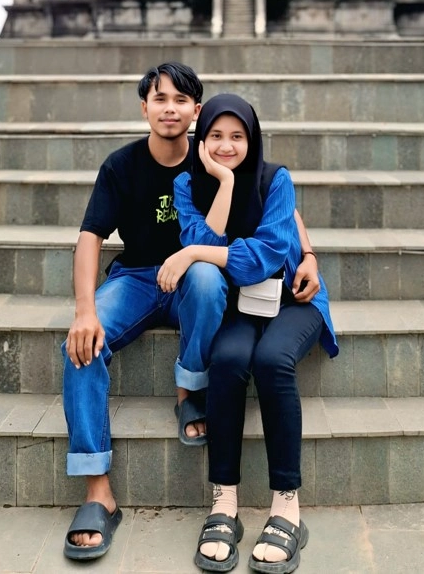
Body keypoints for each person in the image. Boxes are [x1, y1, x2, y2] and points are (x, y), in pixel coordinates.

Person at [61, 64, 320, 563]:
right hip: (138, 278)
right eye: (160, 99)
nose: (170, 109)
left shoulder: (215, 157)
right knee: (81, 343)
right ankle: (97, 492)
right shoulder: (126, 166)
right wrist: (84, 309)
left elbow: (274, 198)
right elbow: (90, 235)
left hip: (199, 283)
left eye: (181, 100)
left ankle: (189, 393)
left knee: (202, 277)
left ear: (195, 111)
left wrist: (307, 253)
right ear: (145, 107)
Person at [157, 93, 339, 574]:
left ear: (252, 139)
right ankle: (224, 502)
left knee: (272, 360)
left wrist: (194, 253)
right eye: (216, 135)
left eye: (237, 136)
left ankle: (287, 507)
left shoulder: (276, 179)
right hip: (243, 304)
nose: (226, 145)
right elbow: (203, 243)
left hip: (293, 298)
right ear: (201, 139)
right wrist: (223, 183)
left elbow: (265, 255)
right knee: (230, 359)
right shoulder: (186, 184)